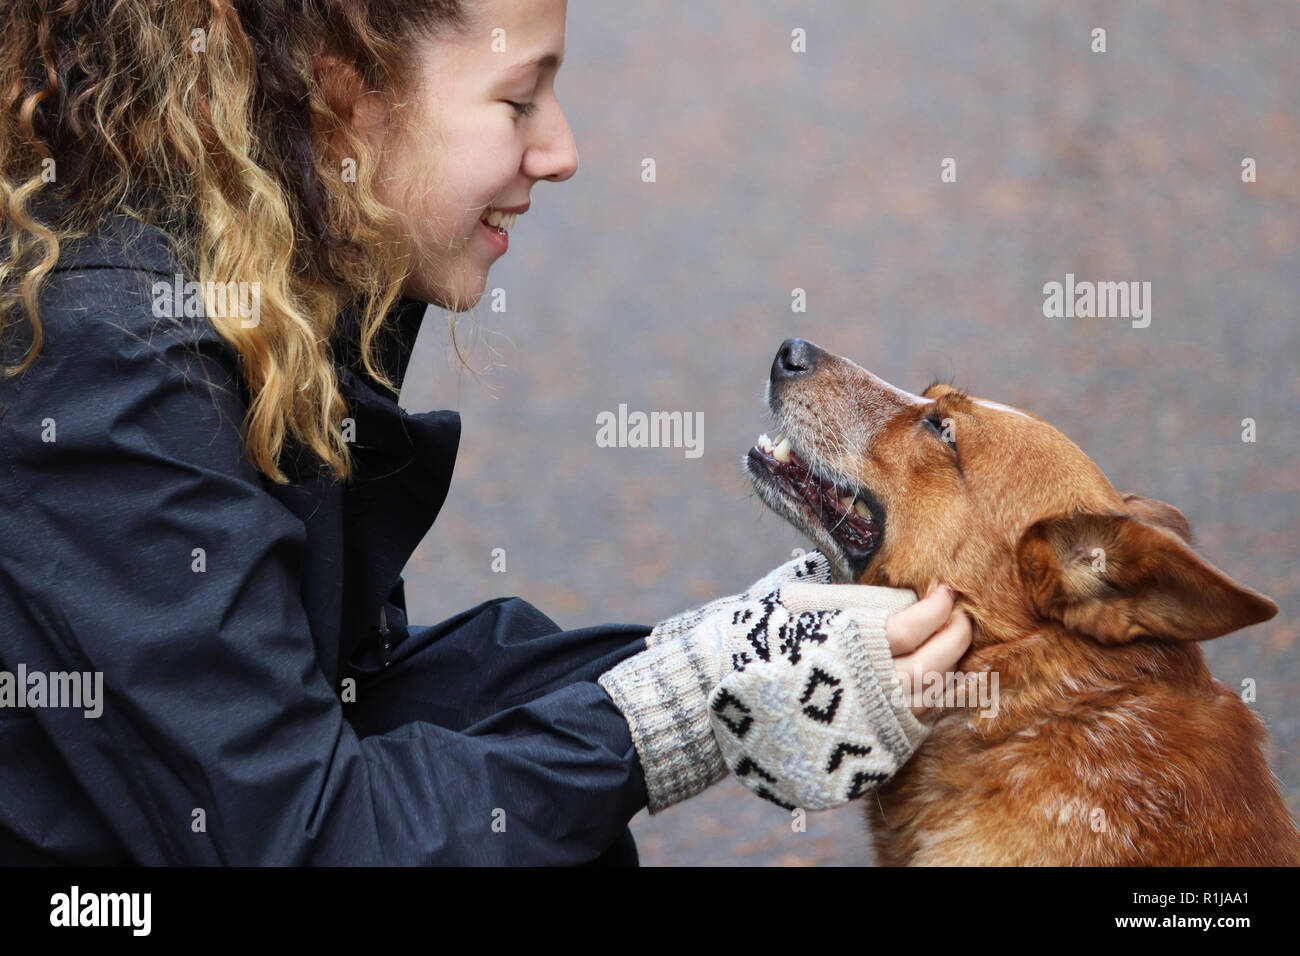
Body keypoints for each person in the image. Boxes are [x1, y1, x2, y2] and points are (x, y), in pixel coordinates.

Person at [0, 0, 971, 865]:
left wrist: (738, 652)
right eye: (518, 101)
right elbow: (304, 835)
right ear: (348, 92)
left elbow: (345, 691)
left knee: (528, 760)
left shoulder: (273, 245)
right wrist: (688, 711)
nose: (560, 150)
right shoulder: (115, 366)